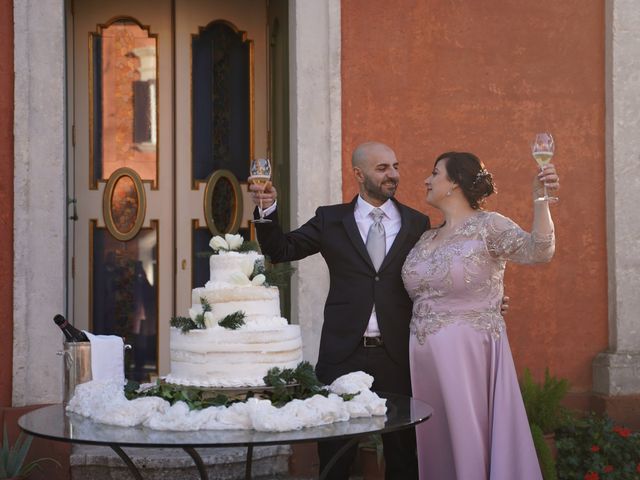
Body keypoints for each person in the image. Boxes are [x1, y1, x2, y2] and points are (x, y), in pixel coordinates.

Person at [249, 141, 428, 479]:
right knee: (335, 453)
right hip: (343, 353)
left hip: (398, 355)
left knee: (403, 453)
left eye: (395, 166)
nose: (393, 175)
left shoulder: (417, 223)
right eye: (383, 168)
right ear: (359, 174)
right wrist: (266, 210)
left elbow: (435, 277)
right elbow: (281, 249)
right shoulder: (331, 220)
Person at [401, 151, 559, 480]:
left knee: (469, 437)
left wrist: (540, 201)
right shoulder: (425, 237)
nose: (426, 180)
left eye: (435, 173)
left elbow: (539, 250)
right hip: (424, 362)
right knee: (436, 444)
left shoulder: (489, 226)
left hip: (470, 357)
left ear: (455, 183)